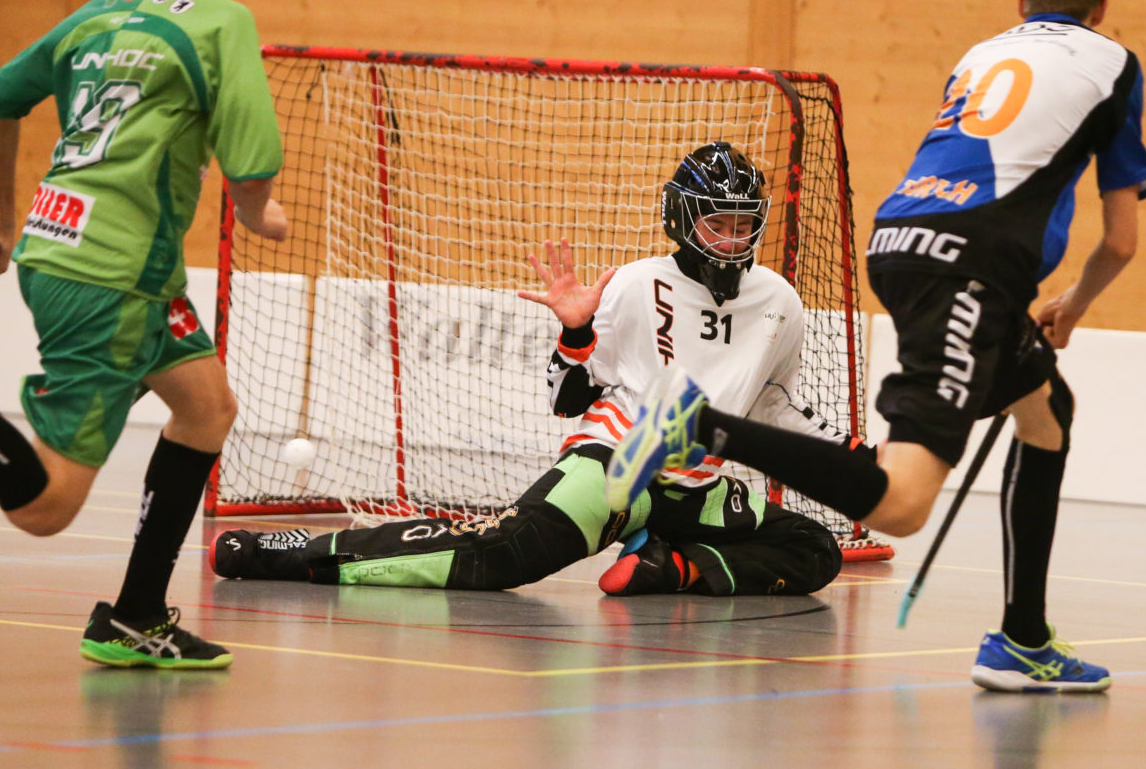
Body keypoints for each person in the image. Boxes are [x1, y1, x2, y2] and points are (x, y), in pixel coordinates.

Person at [607, 0, 1146, 693]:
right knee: (901, 504)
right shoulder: (1114, 65)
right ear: (1103, 3)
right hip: (965, 267)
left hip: (900, 238)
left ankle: (1024, 638)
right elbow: (1123, 242)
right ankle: (701, 424)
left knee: (1046, 411)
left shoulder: (983, 53)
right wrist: (1071, 302)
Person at [209, 142, 849, 598]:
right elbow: (569, 401)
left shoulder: (778, 301)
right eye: (719, 225)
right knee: (497, 558)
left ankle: (666, 568)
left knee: (816, 549)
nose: (734, 242)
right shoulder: (633, 285)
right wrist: (574, 329)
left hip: (696, 491)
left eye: (746, 226)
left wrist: (846, 452)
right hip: (617, 466)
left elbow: (768, 406)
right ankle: (298, 552)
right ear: (682, 220)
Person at [0, 0, 287, 668]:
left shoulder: (103, 8)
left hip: (76, 251)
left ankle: (136, 615)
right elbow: (251, 169)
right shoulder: (223, 20)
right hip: (112, 275)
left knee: (205, 405)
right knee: (49, 507)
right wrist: (260, 214)